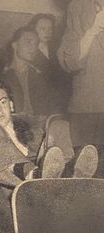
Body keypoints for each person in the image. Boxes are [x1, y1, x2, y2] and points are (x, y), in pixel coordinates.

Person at [0, 81, 99, 197]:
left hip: (43, 179)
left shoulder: (30, 131)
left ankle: (68, 175)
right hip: (13, 189)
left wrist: (49, 143)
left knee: (58, 124)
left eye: (2, 102)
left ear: (11, 105)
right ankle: (33, 175)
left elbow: (49, 157)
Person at [57, 0, 104, 176]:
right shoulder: (78, 6)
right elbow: (70, 62)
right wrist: (93, 29)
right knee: (84, 174)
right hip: (87, 107)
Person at [1, 26, 59, 117]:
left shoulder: (41, 76)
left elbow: (50, 109)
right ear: (15, 45)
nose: (33, 48)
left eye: (36, 44)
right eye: (28, 42)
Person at [27, 14, 71, 113]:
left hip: (59, 103)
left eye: (50, 29)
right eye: (42, 29)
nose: (47, 32)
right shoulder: (28, 52)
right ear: (33, 29)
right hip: (39, 104)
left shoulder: (57, 50)